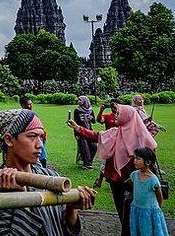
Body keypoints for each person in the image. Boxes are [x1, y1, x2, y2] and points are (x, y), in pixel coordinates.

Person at [0, 108, 96, 236]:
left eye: (41, 137)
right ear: (9, 139)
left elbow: (70, 231)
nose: (40, 145)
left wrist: (72, 209)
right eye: (32, 136)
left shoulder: (51, 178)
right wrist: (21, 197)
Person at [68, 104, 157, 236]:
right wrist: (77, 127)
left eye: (118, 113)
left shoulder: (141, 136)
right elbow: (96, 136)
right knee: (123, 213)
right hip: (116, 180)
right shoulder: (116, 132)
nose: (115, 115)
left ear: (127, 116)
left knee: (136, 213)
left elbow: (149, 158)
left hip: (136, 183)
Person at [129, 147, 169, 236]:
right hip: (136, 208)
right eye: (134, 158)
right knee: (138, 229)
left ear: (148, 162)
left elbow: (159, 195)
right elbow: (131, 184)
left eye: (138, 159)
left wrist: (157, 208)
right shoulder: (134, 175)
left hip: (149, 210)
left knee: (147, 231)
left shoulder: (153, 180)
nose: (135, 161)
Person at [94, 99, 120, 188]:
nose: (114, 108)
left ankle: (115, 180)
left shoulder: (122, 117)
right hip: (108, 143)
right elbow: (99, 120)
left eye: (116, 105)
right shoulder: (108, 116)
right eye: (112, 106)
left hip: (120, 143)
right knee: (106, 161)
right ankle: (100, 181)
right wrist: (101, 110)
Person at [19, 96, 48, 167]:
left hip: (40, 138)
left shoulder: (33, 114)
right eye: (28, 104)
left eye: (31, 104)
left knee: (42, 157)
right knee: (37, 159)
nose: (30, 106)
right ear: (23, 105)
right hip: (32, 139)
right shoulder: (21, 116)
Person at [73, 96, 97, 169]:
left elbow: (94, 121)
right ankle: (86, 164)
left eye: (80, 100)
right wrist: (76, 133)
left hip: (89, 131)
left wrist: (91, 118)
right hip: (80, 131)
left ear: (85, 101)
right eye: (78, 100)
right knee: (84, 147)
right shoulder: (77, 110)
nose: (78, 101)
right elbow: (75, 123)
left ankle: (89, 161)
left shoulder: (90, 110)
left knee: (94, 147)